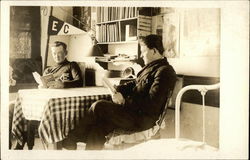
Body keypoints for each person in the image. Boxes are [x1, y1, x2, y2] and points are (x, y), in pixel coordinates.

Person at [62, 34, 177, 150]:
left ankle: (72, 138)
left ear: (154, 51)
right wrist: (118, 89)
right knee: (99, 127)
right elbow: (135, 83)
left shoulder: (165, 71)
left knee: (98, 106)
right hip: (133, 114)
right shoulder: (151, 67)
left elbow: (152, 105)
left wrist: (123, 101)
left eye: (143, 51)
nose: (141, 55)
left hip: (143, 119)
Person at [10, 41, 83, 149]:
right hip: (45, 102)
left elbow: (79, 82)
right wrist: (42, 87)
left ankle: (21, 144)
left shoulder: (71, 65)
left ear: (66, 52)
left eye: (60, 53)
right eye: (54, 53)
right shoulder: (48, 70)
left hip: (59, 105)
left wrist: (63, 84)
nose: (57, 56)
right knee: (17, 107)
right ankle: (19, 142)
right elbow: (44, 87)